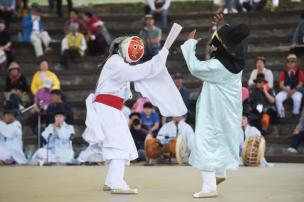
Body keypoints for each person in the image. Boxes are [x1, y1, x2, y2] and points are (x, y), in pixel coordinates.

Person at [83, 34, 186, 194]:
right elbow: (139, 72)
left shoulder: (117, 63)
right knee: (118, 144)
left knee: (117, 144)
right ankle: (117, 182)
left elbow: (138, 74)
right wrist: (160, 56)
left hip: (110, 109)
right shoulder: (115, 62)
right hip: (107, 108)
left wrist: (162, 55)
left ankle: (111, 180)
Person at [181, 14, 250, 198]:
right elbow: (222, 44)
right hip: (229, 109)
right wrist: (218, 26)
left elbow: (195, 67)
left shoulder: (218, 66)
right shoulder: (237, 63)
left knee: (204, 142)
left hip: (215, 109)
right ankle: (219, 173)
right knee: (220, 139)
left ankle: (209, 187)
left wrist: (189, 44)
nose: (215, 42)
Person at [275, 54, 303, 118]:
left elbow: (301, 83)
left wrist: (293, 90)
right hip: (286, 90)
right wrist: (287, 90)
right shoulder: (284, 72)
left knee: (297, 98)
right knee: (278, 98)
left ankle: (295, 113)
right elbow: (281, 84)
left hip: (296, 90)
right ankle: (281, 114)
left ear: (295, 62)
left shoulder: (299, 72)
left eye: (292, 61)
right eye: (288, 61)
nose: (290, 63)